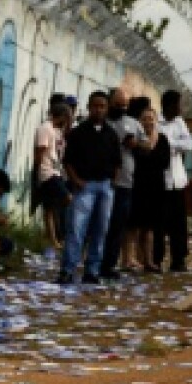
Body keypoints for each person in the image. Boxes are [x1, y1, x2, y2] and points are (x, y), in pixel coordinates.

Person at [59, 90, 121, 286]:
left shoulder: (111, 134)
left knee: (100, 230)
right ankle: (68, 270)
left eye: (102, 106)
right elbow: (67, 161)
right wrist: (76, 180)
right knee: (76, 229)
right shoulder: (78, 133)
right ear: (89, 107)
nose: (98, 110)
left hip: (105, 187)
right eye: (95, 106)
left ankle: (92, 270)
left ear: (107, 108)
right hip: (84, 186)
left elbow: (117, 161)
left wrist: (113, 181)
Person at [101, 85, 146, 280]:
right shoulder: (101, 122)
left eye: (124, 105)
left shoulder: (133, 124)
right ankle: (94, 262)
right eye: (117, 104)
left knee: (118, 226)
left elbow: (147, 147)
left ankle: (110, 265)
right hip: (102, 180)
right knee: (100, 225)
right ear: (109, 103)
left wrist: (136, 144)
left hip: (125, 183)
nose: (121, 108)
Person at [155, 88, 192, 271]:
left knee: (179, 224)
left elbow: (189, 144)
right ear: (168, 105)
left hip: (177, 181)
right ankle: (157, 258)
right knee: (160, 223)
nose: (180, 108)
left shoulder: (179, 123)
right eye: (178, 104)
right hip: (161, 181)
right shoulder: (157, 123)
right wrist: (171, 147)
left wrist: (169, 146)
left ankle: (178, 259)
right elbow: (155, 144)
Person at [131, 102, 169, 269]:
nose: (148, 122)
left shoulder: (163, 139)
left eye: (151, 118)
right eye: (145, 119)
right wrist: (145, 150)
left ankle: (149, 259)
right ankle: (137, 258)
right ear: (139, 122)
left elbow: (164, 162)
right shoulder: (136, 141)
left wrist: (149, 152)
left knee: (152, 226)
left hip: (156, 187)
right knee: (137, 225)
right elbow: (137, 160)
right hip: (138, 186)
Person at [32, 97, 70, 248]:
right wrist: (38, 173)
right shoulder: (45, 128)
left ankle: (53, 240)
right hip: (47, 173)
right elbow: (39, 151)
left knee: (49, 208)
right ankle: (58, 236)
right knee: (67, 198)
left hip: (53, 171)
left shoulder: (54, 130)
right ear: (61, 116)